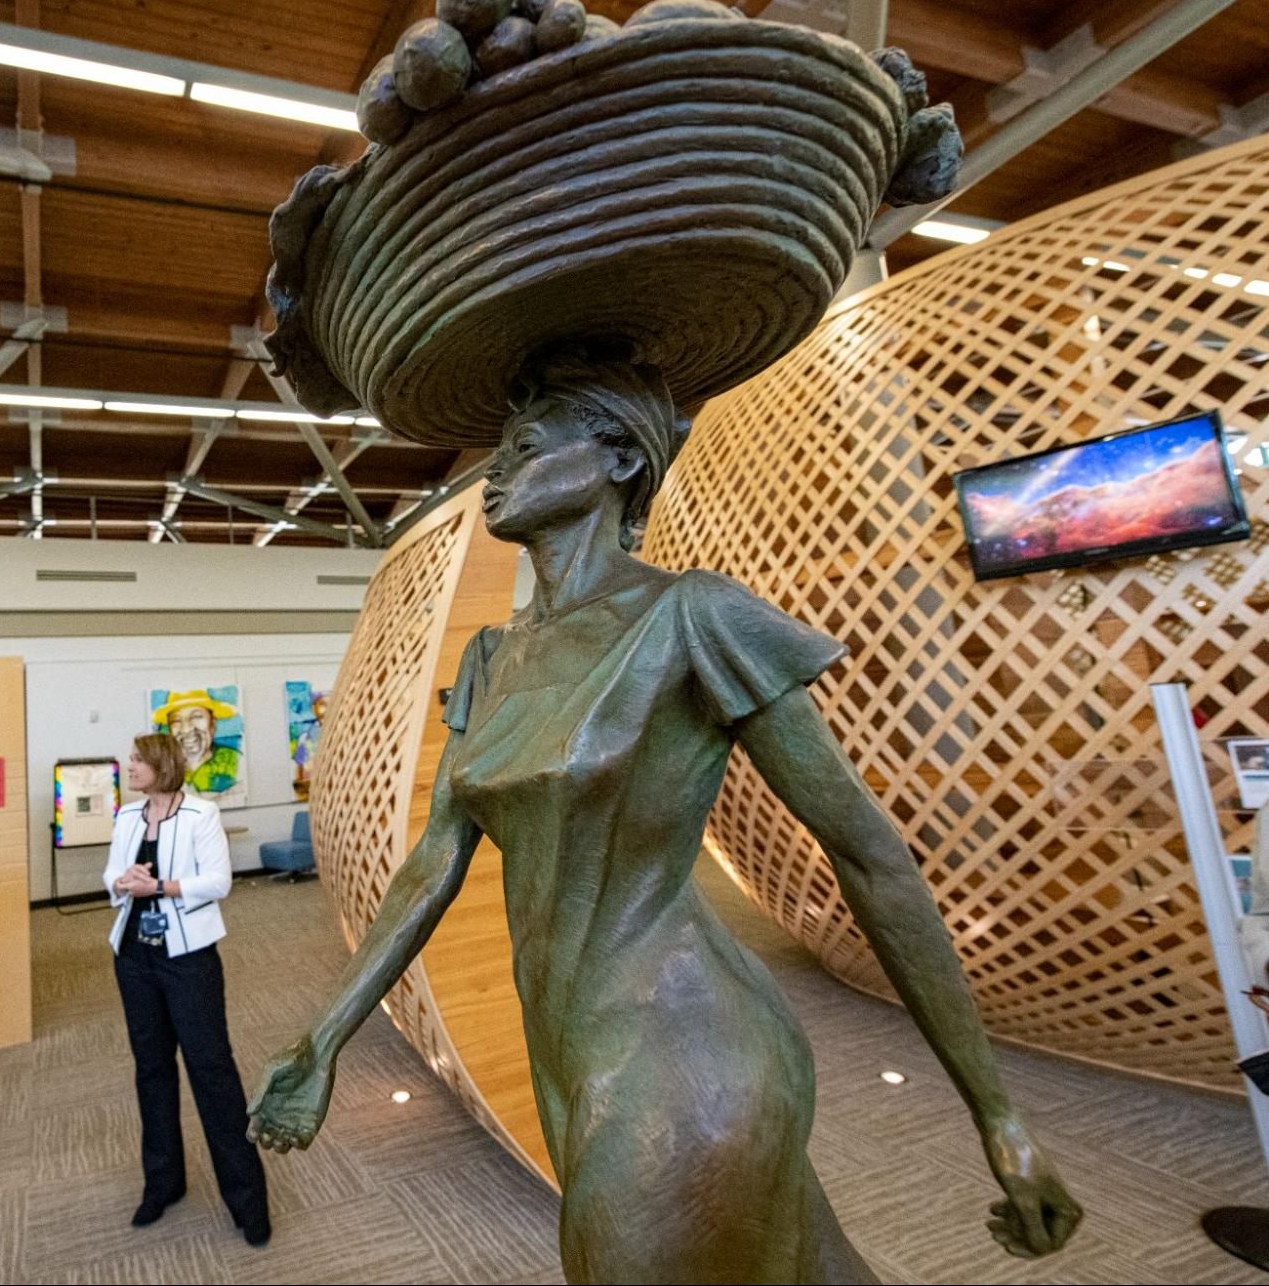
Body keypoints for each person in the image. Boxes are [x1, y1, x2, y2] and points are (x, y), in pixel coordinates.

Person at [247, 350, 1082, 1282]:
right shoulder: (491, 655)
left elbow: (870, 856)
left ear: (615, 460)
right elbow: (436, 853)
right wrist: (324, 1033)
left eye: (524, 446)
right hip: (568, 1053)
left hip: (687, 1047)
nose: (494, 470)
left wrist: (995, 1113)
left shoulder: (693, 615)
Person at [103, 733, 269, 1245]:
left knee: (212, 1071)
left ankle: (248, 1202)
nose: (128, 766)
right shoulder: (127, 817)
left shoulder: (201, 815)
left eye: (136, 759)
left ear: (160, 765)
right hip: (134, 957)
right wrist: (122, 879)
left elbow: (219, 882)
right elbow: (109, 873)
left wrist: (163, 888)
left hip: (189, 960)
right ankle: (163, 1183)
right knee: (151, 1069)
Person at [149, 690, 242, 796]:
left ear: (212, 724)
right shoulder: (163, 769)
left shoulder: (234, 761)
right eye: (176, 721)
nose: (186, 729)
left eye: (196, 717)